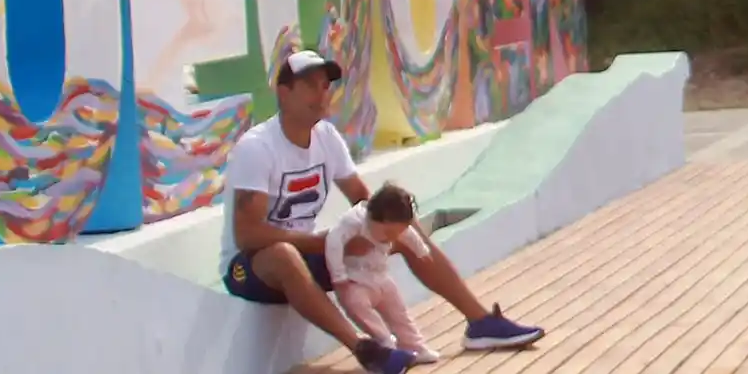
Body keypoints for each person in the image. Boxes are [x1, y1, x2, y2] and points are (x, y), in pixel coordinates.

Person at [219, 49, 543, 373]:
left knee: (400, 224)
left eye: (325, 85)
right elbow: (248, 235)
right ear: (283, 92)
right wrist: (324, 243)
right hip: (250, 269)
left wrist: (378, 226)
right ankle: (366, 350)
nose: (321, 94)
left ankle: (481, 322)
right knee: (284, 254)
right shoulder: (258, 147)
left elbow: (362, 199)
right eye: (310, 85)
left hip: (307, 254)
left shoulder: (326, 137)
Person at [325, 184, 438, 365]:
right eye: (389, 232)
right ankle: (385, 345)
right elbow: (333, 243)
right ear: (377, 219)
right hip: (355, 280)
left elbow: (409, 235)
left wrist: (422, 251)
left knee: (399, 313)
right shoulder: (354, 222)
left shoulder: (397, 228)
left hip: (381, 276)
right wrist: (339, 277)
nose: (393, 238)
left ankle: (414, 346)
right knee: (359, 308)